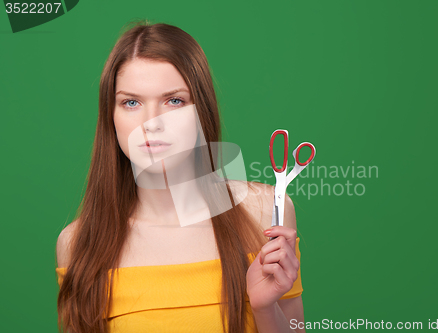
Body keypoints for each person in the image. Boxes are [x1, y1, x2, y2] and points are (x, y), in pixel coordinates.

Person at [56, 20, 305, 333]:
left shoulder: (264, 212)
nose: (152, 123)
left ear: (202, 110)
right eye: (131, 102)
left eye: (174, 100)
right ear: (111, 116)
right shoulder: (79, 243)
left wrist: (264, 307)